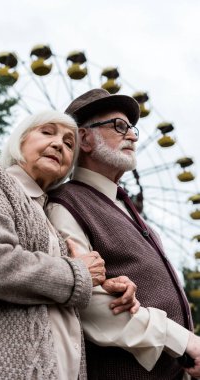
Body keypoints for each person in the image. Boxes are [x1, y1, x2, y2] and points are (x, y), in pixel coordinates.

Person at [0, 110, 117, 380]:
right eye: (47, 132)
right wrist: (79, 274)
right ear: (20, 140)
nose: (59, 144)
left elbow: (67, 280)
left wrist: (109, 284)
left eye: (69, 144)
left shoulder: (50, 213)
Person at [47, 89, 200, 380]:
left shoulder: (131, 211)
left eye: (132, 129)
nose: (131, 135)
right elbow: (87, 301)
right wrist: (184, 342)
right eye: (118, 126)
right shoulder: (65, 204)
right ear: (84, 138)